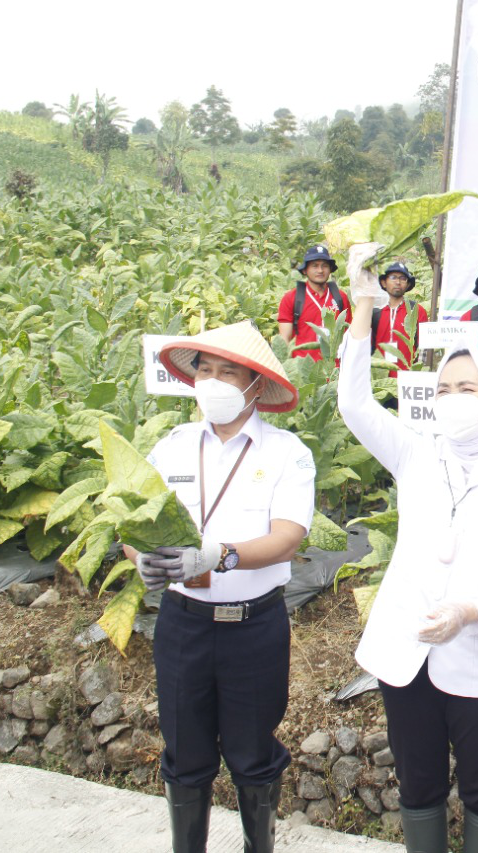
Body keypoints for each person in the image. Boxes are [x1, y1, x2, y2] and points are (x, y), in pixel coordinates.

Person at [338, 244, 478, 853]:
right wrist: (362, 310)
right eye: (446, 387)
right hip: (407, 653)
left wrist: (470, 613)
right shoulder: (414, 451)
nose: (455, 395)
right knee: (419, 785)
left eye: (468, 386)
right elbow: (353, 404)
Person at [132, 321, 315, 853]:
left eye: (227, 373)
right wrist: (139, 556)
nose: (212, 382)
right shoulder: (173, 446)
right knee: (184, 752)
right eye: (204, 371)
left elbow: (286, 538)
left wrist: (221, 556)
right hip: (182, 625)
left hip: (253, 627)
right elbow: (136, 522)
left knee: (252, 752)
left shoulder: (286, 452)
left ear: (255, 385)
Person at [277, 244, 352, 361]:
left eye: (324, 266)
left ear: (330, 269)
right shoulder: (292, 298)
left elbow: (348, 335)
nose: (320, 270)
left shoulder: (340, 297)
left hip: (335, 369)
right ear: (305, 270)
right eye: (315, 266)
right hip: (303, 369)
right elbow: (284, 339)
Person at [374, 261, 429, 375]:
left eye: (403, 278)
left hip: (407, 378)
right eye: (393, 277)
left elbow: (424, 348)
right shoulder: (374, 311)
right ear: (384, 282)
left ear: (408, 284)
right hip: (377, 380)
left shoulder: (416, 311)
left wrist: (418, 374)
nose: (398, 282)